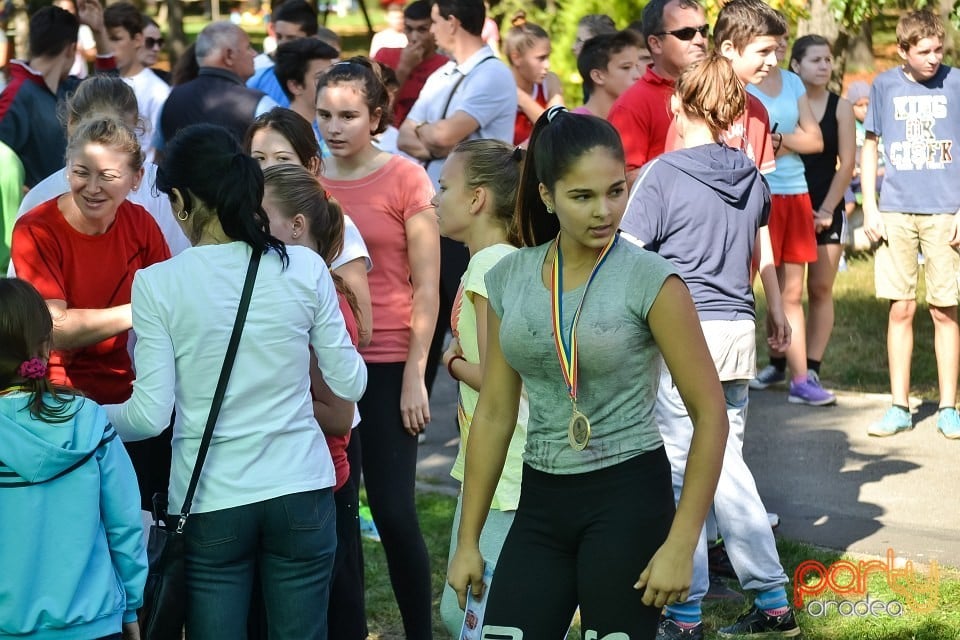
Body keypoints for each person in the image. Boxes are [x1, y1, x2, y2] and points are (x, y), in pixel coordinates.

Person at [446, 106, 729, 639]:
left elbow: (711, 414)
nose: (605, 211)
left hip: (628, 496)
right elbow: (495, 413)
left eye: (616, 191)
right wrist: (468, 542)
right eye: (583, 197)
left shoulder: (652, 280)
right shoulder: (511, 277)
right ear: (548, 196)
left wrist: (681, 543)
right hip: (542, 498)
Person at [103, 123, 367, 639]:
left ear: (180, 201)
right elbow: (352, 385)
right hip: (302, 488)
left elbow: (148, 416)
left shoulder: (159, 283)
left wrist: (84, 410)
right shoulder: (306, 268)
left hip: (211, 500)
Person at [620, 54, 799, 640]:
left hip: (681, 334)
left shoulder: (663, 175)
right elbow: (752, 244)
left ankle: (685, 609)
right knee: (725, 466)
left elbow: (627, 255)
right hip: (735, 333)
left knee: (684, 471)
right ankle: (771, 600)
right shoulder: (754, 178)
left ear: (678, 104)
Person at [316, 58, 440, 640]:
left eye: (348, 115)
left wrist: (417, 373)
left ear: (376, 116)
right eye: (324, 115)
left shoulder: (407, 177)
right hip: (326, 363)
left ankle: (420, 631)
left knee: (393, 513)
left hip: (391, 364)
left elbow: (428, 284)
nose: (334, 127)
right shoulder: (308, 181)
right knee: (339, 514)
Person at [10, 117, 172, 509]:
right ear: (67, 170)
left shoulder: (141, 224)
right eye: (81, 173)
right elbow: (55, 327)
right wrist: (141, 311)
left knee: (133, 518)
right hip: (52, 400)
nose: (93, 188)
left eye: (108, 176)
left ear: (136, 180)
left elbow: (172, 310)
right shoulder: (36, 229)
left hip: (124, 399)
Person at [0, 278, 147, 640]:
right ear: (47, 345)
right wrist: (130, 606)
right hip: (95, 622)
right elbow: (125, 524)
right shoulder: (90, 419)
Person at [261, 162, 367, 640]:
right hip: (294, 474)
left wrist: (262, 403)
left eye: (262, 221)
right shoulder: (289, 289)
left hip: (319, 479)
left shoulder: (324, 301)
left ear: (296, 226)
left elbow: (340, 413)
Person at [432, 139, 528, 635]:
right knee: (464, 612)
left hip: (506, 470)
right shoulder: (497, 260)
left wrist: (450, 362)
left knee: (473, 616)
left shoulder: (490, 265)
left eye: (444, 187)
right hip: (493, 465)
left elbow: (500, 379)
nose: (435, 198)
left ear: (477, 199)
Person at [398, 0, 516, 397]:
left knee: (472, 326)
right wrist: (434, 135)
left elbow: (444, 137)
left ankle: (483, 416)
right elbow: (404, 135)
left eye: (433, 21)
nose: (429, 31)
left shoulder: (492, 73)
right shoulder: (442, 74)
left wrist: (431, 136)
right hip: (443, 214)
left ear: (452, 22)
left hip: (476, 218)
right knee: (432, 316)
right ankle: (420, 406)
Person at [861, 9, 960, 438]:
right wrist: (869, 206)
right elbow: (870, 146)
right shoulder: (884, 85)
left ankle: (948, 407)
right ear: (903, 51)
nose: (934, 58)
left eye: (939, 50)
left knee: (944, 310)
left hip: (945, 211)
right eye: (923, 52)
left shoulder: (955, 83)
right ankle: (899, 406)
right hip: (896, 210)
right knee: (900, 307)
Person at [12, 75, 190, 275]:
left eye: (118, 133)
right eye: (93, 131)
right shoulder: (41, 200)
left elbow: (177, 273)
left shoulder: (162, 190)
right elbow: (29, 297)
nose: (94, 187)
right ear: (71, 124)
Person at [745, 20, 832, 406]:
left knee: (792, 293)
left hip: (793, 194)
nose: (775, 52)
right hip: (752, 192)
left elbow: (814, 141)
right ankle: (732, 373)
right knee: (744, 288)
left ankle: (800, 379)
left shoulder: (794, 84)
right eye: (767, 46)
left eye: (780, 44)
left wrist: (779, 139)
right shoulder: (738, 82)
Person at [243, 106, 372, 346]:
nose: (268, 169)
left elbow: (361, 330)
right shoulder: (237, 222)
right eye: (258, 158)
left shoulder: (335, 223)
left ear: (311, 165)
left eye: (283, 159)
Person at [792, 35, 856, 390]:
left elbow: (846, 164)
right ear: (796, 65)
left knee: (819, 289)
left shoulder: (841, 107)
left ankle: (812, 367)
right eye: (815, 59)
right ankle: (779, 362)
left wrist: (828, 209)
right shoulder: (786, 104)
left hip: (826, 205)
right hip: (788, 205)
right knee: (787, 294)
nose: (824, 66)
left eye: (828, 59)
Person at [0, 1, 116, 188]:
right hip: (32, 214)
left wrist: (100, 31)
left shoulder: (68, 88)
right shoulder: (17, 95)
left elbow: (111, 93)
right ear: (71, 50)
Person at [608, 0, 708, 186]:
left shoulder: (715, 89)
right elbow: (622, 182)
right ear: (655, 44)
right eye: (685, 33)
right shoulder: (633, 105)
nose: (699, 40)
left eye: (704, 31)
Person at [158, 21, 275, 147]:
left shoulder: (170, 99)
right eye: (248, 47)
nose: (254, 54)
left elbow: (158, 154)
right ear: (229, 56)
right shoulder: (259, 104)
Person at [103, 3, 170, 163]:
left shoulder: (158, 92)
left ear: (138, 39)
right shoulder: (100, 84)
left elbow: (158, 151)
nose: (108, 47)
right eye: (104, 39)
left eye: (116, 38)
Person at [373, 0, 449, 127]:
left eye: (422, 30)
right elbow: (377, 110)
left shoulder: (446, 66)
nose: (414, 37)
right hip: (386, 135)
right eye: (409, 29)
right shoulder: (385, 56)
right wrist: (404, 68)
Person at [503, 12, 564, 146]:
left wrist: (520, 97)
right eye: (541, 58)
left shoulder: (550, 81)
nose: (548, 66)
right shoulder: (498, 88)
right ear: (516, 57)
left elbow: (559, 128)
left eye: (548, 57)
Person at [247, 0, 320, 106]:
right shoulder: (257, 73)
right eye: (279, 36)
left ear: (313, 40)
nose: (282, 44)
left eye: (291, 38)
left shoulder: (327, 78)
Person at [272, 37, 339, 133]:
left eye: (332, 74)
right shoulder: (285, 136)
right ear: (295, 86)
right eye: (320, 77)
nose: (332, 83)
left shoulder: (331, 127)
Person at [573, 30, 643, 118]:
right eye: (626, 67)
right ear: (598, 76)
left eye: (636, 66)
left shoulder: (633, 118)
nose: (638, 76)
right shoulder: (577, 124)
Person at [139, 15, 171, 84]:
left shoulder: (168, 81)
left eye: (160, 42)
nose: (156, 48)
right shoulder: (112, 82)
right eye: (150, 42)